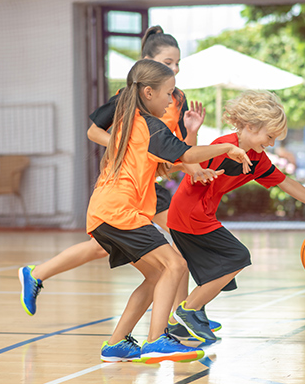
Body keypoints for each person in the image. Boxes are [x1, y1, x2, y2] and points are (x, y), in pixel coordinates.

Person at [18, 26, 222, 333]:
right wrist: (126, 144)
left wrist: (194, 156)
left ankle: (37, 274)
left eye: (178, 63)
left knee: (105, 247)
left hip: (151, 181)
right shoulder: (127, 99)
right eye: (168, 62)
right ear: (147, 65)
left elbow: (181, 150)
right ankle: (181, 317)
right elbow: (93, 132)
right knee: (176, 250)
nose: (175, 69)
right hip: (128, 184)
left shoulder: (176, 98)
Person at [83, 59, 251, 363]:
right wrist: (226, 148)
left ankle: (117, 343)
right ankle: (156, 339)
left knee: (156, 275)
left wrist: (192, 141)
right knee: (175, 263)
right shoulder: (149, 125)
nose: (171, 101)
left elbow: (172, 162)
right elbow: (185, 154)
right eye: (168, 93)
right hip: (119, 211)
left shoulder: (129, 122)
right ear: (148, 92)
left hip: (105, 213)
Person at [166, 90, 305, 342]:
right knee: (237, 256)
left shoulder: (257, 159)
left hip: (198, 215)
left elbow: (287, 183)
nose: (272, 144)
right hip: (190, 214)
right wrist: (192, 135)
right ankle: (187, 311)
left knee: (205, 265)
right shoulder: (223, 145)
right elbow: (190, 162)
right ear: (251, 126)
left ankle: (180, 321)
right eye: (270, 136)